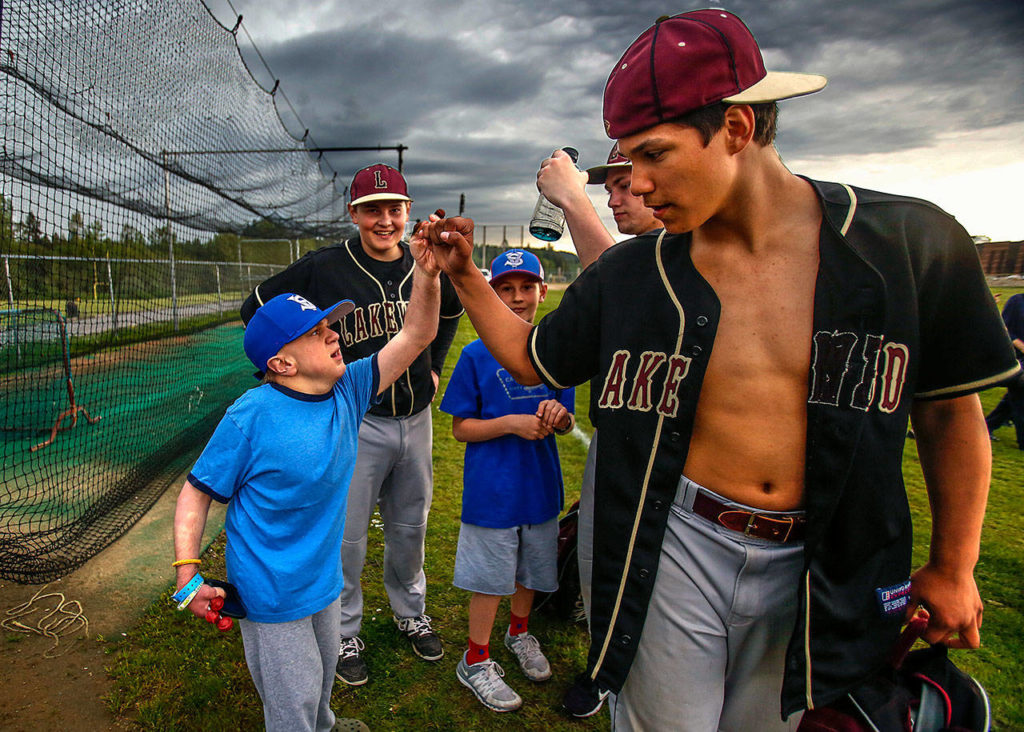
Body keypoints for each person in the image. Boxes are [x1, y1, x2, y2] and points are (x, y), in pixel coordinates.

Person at [417, 9, 1020, 731]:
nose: (634, 184)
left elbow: (950, 411)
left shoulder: (908, 243)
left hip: (824, 556)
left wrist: (955, 567)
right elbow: (531, 355)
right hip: (680, 540)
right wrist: (465, 276)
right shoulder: (635, 274)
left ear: (735, 127)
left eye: (653, 154)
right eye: (624, 164)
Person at [172, 238, 441, 732]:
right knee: (290, 702)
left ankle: (326, 724)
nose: (333, 334)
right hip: (271, 593)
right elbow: (196, 491)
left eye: (328, 324)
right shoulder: (250, 417)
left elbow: (419, 333)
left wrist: (425, 273)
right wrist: (187, 574)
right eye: (317, 333)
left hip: (322, 580)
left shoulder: (349, 390)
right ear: (281, 363)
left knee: (319, 680)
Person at [240, 164, 463, 686]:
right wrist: (300, 380)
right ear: (354, 213)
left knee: (411, 526)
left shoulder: (427, 264)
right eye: (372, 210)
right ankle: (344, 631)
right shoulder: (324, 267)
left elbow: (447, 314)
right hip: (353, 423)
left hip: (416, 417)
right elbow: (255, 309)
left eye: (395, 209)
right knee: (348, 536)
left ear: (408, 212)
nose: (385, 220)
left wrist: (436, 366)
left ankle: (412, 613)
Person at [536, 142, 662, 719]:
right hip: (617, 442)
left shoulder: (690, 251)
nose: (610, 198)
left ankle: (634, 683)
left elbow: (632, 288)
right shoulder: (637, 256)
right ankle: (602, 668)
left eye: (620, 183)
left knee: (658, 593)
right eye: (602, 187)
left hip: (682, 466)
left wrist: (570, 202)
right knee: (599, 570)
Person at [438, 249, 575, 713]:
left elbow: (567, 416)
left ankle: (520, 632)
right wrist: (512, 423)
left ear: (542, 290)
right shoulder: (477, 355)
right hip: (492, 493)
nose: (517, 298)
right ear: (491, 294)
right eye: (506, 289)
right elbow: (460, 428)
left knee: (531, 570)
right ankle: (475, 659)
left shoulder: (556, 350)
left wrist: (558, 416)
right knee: (491, 578)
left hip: (540, 490)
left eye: (525, 287)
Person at [985, 292, 1024, 448]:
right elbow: (1004, 328)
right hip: (1015, 359)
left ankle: (987, 426)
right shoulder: (1016, 301)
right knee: (1020, 398)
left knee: (1013, 399)